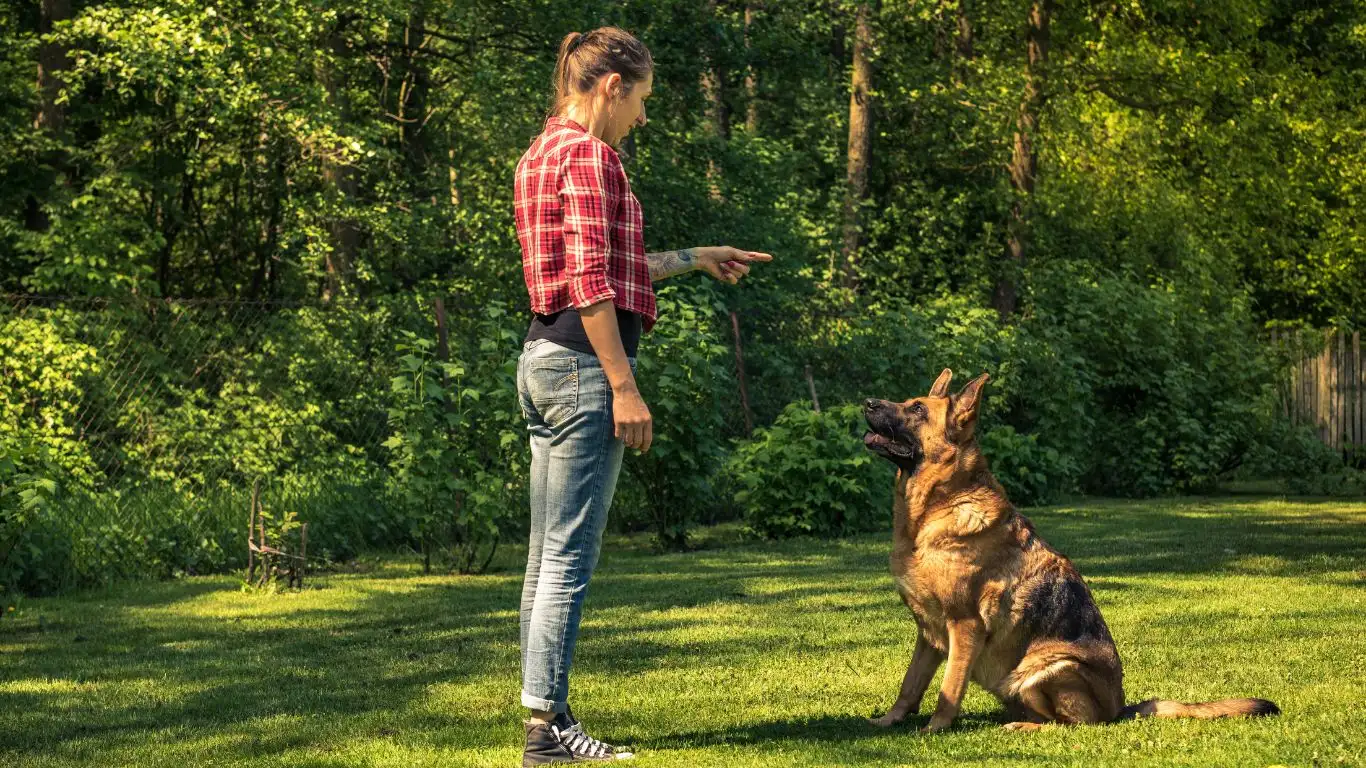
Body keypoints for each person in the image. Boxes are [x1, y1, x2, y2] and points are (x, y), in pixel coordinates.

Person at [513, 26, 772, 766]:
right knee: (567, 557)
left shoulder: (541, 154)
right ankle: (547, 732)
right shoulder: (593, 157)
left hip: (541, 357)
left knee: (543, 557)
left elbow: (609, 268)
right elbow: (593, 283)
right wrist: (624, 386)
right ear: (612, 86)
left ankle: (544, 715)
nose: (643, 119)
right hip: (583, 369)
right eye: (643, 101)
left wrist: (698, 258)